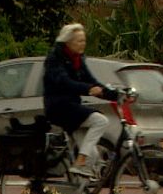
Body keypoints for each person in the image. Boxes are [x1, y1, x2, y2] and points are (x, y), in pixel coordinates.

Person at [43, 23, 118, 178]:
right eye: (79, 41)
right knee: (100, 121)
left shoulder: (78, 59)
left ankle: (75, 190)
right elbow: (64, 82)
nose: (83, 44)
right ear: (68, 42)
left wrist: (115, 95)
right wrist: (88, 89)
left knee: (94, 155)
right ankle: (80, 161)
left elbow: (91, 81)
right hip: (59, 108)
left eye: (84, 40)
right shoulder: (54, 59)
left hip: (72, 108)